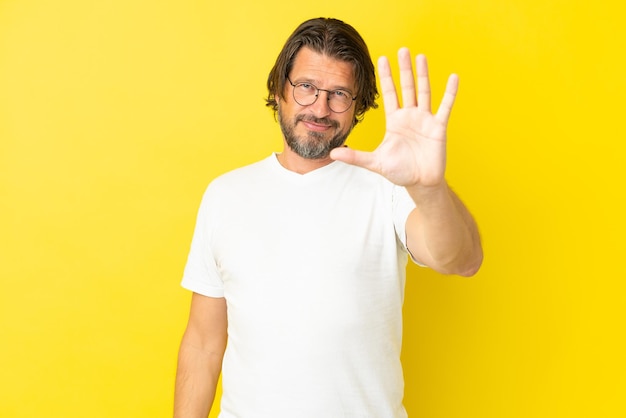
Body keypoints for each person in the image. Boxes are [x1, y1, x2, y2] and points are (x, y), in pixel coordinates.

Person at [174, 17, 483, 418]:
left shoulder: (389, 188)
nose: (320, 108)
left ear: (358, 108)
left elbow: (461, 259)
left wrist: (428, 188)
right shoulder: (225, 195)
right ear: (279, 89)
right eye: (306, 87)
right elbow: (203, 342)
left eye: (339, 94)